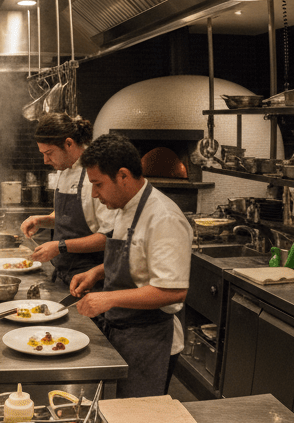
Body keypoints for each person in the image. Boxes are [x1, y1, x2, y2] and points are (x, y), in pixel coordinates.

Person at [69, 133, 191, 398]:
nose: (94, 193)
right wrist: (96, 272)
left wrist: (108, 299)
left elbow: (172, 291)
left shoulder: (164, 218)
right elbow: (135, 259)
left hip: (150, 341)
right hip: (122, 332)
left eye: (98, 184)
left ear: (123, 176)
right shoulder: (125, 207)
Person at [20, 113, 114, 285]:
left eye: (49, 153)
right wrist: (43, 220)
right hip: (64, 275)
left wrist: (59, 246)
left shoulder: (96, 175)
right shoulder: (64, 170)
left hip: (91, 281)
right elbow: (69, 217)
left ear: (69, 144)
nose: (45, 160)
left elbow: (109, 237)